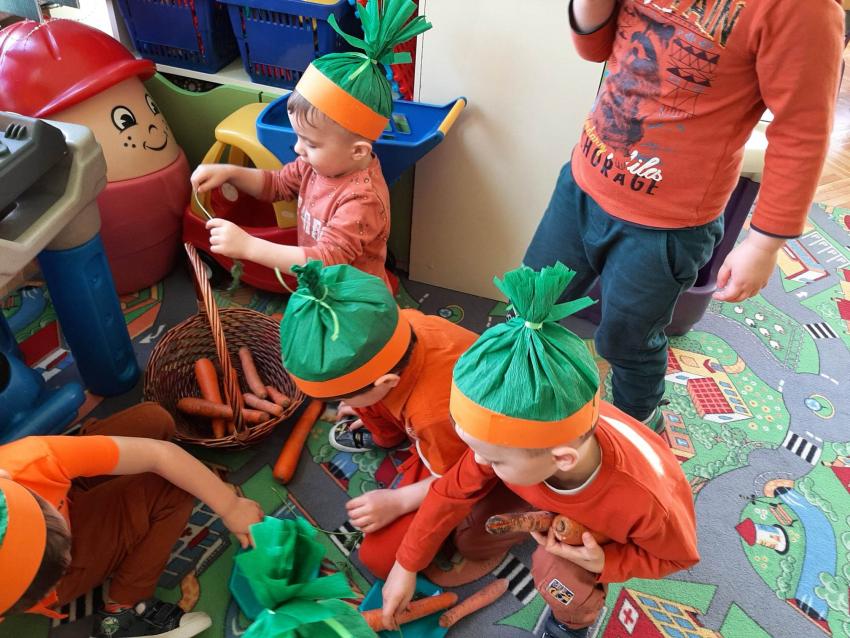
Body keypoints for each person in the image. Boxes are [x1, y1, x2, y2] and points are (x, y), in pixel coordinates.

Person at [523, 0, 845, 430]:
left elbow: (802, 132)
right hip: (583, 182)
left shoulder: (803, 11)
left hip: (667, 227)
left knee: (627, 341)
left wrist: (765, 243)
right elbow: (594, 47)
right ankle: (518, 394)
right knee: (532, 303)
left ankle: (639, 424)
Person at [379, 263, 699, 638]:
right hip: (548, 489)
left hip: (595, 534)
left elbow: (677, 557)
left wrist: (605, 561)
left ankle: (572, 622)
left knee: (558, 578)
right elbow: (450, 491)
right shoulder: (519, 446)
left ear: (562, 458)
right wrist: (406, 564)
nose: (477, 461)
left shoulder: (648, 503)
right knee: (473, 533)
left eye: (492, 458)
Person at [279, 260, 508, 580]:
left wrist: (400, 501)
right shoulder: (398, 324)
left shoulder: (432, 414)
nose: (340, 403)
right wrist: (366, 405)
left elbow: (462, 476)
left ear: (386, 383)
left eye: (343, 395)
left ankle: (507, 503)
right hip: (422, 409)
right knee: (368, 407)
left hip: (475, 448)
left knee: (380, 558)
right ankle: (382, 420)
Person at [190, 0, 432, 290]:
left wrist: (249, 246)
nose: (297, 149)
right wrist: (230, 173)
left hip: (351, 302)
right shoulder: (316, 164)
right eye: (298, 137)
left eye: (311, 143)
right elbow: (277, 185)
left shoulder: (361, 201)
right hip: (319, 289)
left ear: (358, 151)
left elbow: (325, 261)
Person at [0, 403, 264, 638]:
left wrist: (230, 506)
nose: (68, 555)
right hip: (48, 582)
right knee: (171, 487)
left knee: (152, 421)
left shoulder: (29, 459)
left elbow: (159, 455)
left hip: (63, 490)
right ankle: (123, 614)